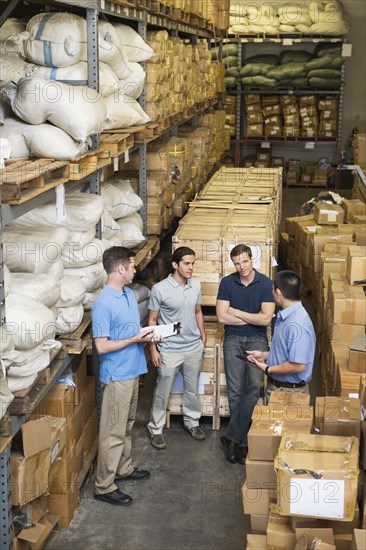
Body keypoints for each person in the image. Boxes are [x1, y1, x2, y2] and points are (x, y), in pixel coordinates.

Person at [92, 246, 156, 506]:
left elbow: (132, 333)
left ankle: (124, 469)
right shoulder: (103, 303)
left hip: (134, 369)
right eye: (132, 265)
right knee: (112, 432)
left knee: (127, 425)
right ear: (121, 269)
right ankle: (104, 486)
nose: (135, 269)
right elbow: (101, 346)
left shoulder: (129, 295)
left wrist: (148, 336)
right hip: (117, 375)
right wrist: (133, 339)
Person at [216, 244, 275, 464]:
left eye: (245, 261)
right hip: (232, 339)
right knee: (235, 389)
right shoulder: (227, 283)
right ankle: (241, 443)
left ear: (252, 260)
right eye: (237, 263)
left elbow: (266, 319)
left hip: (257, 339)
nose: (241, 266)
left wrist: (237, 312)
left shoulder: (266, 283)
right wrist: (252, 316)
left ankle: (232, 438)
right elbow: (221, 317)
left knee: (252, 388)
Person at [147, 246, 207, 450]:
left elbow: (198, 311)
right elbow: (152, 320)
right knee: (162, 390)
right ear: (175, 265)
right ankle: (155, 429)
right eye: (186, 264)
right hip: (169, 349)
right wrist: (153, 350)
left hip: (193, 347)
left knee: (192, 389)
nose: (191, 268)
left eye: (193, 263)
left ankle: (192, 422)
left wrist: (202, 333)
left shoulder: (196, 285)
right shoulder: (159, 289)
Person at [247, 270, 316, 403]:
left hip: (288, 395)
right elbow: (287, 351)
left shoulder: (296, 323)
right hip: (280, 389)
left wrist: (268, 369)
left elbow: (299, 365)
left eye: (273, 289)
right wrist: (265, 356)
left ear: (278, 293)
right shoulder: (286, 316)